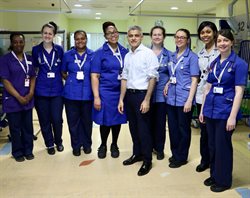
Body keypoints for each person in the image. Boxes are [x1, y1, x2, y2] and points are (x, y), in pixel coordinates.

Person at [199, 29, 248, 193]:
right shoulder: (214, 62)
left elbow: (239, 91)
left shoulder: (239, 64)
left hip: (226, 111)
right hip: (211, 110)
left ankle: (224, 180)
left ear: (232, 42)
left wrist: (233, 117)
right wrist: (202, 111)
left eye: (225, 40)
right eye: (219, 41)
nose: (222, 44)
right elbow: (208, 87)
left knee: (223, 147)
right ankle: (215, 174)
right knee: (212, 145)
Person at [118, 25, 159, 176]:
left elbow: (153, 78)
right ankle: (137, 154)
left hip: (143, 96)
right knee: (133, 128)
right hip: (129, 96)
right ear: (127, 38)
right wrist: (121, 99)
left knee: (144, 130)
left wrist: (147, 99)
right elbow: (124, 78)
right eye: (130, 36)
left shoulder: (149, 54)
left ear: (141, 37)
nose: (133, 38)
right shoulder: (128, 55)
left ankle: (147, 160)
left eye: (136, 35)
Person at [91, 21, 128, 159]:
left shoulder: (124, 51)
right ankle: (103, 145)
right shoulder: (100, 53)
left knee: (117, 119)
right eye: (109, 33)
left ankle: (114, 144)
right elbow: (94, 76)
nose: (113, 35)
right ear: (105, 36)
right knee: (105, 121)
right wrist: (96, 97)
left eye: (115, 32)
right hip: (105, 92)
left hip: (121, 92)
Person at [164, 28, 199, 168]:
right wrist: (167, 83)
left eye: (182, 37)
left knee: (183, 129)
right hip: (171, 98)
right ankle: (175, 153)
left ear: (188, 40)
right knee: (173, 128)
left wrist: (190, 100)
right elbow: (172, 75)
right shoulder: (172, 56)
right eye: (177, 37)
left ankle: (182, 157)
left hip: (184, 99)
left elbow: (194, 79)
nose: (179, 39)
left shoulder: (192, 57)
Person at [0, 32, 36, 162]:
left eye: (20, 42)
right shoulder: (5, 60)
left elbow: (32, 76)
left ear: (24, 42)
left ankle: (28, 150)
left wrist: (31, 93)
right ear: (11, 43)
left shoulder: (29, 58)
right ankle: (17, 152)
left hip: (27, 98)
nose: (18, 44)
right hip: (13, 100)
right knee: (15, 128)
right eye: (15, 42)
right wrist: (19, 97)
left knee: (28, 127)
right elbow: (5, 81)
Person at [32, 22, 64, 155]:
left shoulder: (59, 50)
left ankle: (59, 141)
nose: (47, 35)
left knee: (57, 119)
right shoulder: (36, 50)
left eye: (50, 33)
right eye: (45, 33)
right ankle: (49, 144)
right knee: (44, 120)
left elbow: (63, 69)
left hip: (57, 90)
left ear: (54, 35)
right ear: (41, 34)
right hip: (41, 90)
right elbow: (33, 70)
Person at [62, 30, 93, 156]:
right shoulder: (67, 55)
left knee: (87, 122)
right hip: (71, 95)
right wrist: (70, 81)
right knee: (73, 122)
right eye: (77, 39)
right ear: (74, 40)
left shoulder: (93, 55)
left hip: (87, 94)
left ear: (86, 39)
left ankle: (87, 144)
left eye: (82, 38)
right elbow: (63, 72)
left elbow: (95, 74)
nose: (80, 41)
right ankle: (75, 145)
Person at [195, 21, 219, 172]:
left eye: (208, 32)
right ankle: (205, 160)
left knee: (214, 132)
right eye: (202, 32)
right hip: (201, 96)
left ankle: (215, 161)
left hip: (217, 97)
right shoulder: (200, 53)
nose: (205, 35)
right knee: (204, 131)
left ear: (214, 33)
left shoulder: (221, 50)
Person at [150, 26, 171, 160]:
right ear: (151, 36)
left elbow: (174, 73)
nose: (157, 37)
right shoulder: (145, 53)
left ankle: (159, 148)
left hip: (162, 96)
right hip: (146, 95)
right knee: (147, 123)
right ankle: (148, 146)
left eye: (160, 34)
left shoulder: (170, 55)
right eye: (154, 34)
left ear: (164, 37)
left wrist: (168, 83)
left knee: (160, 123)